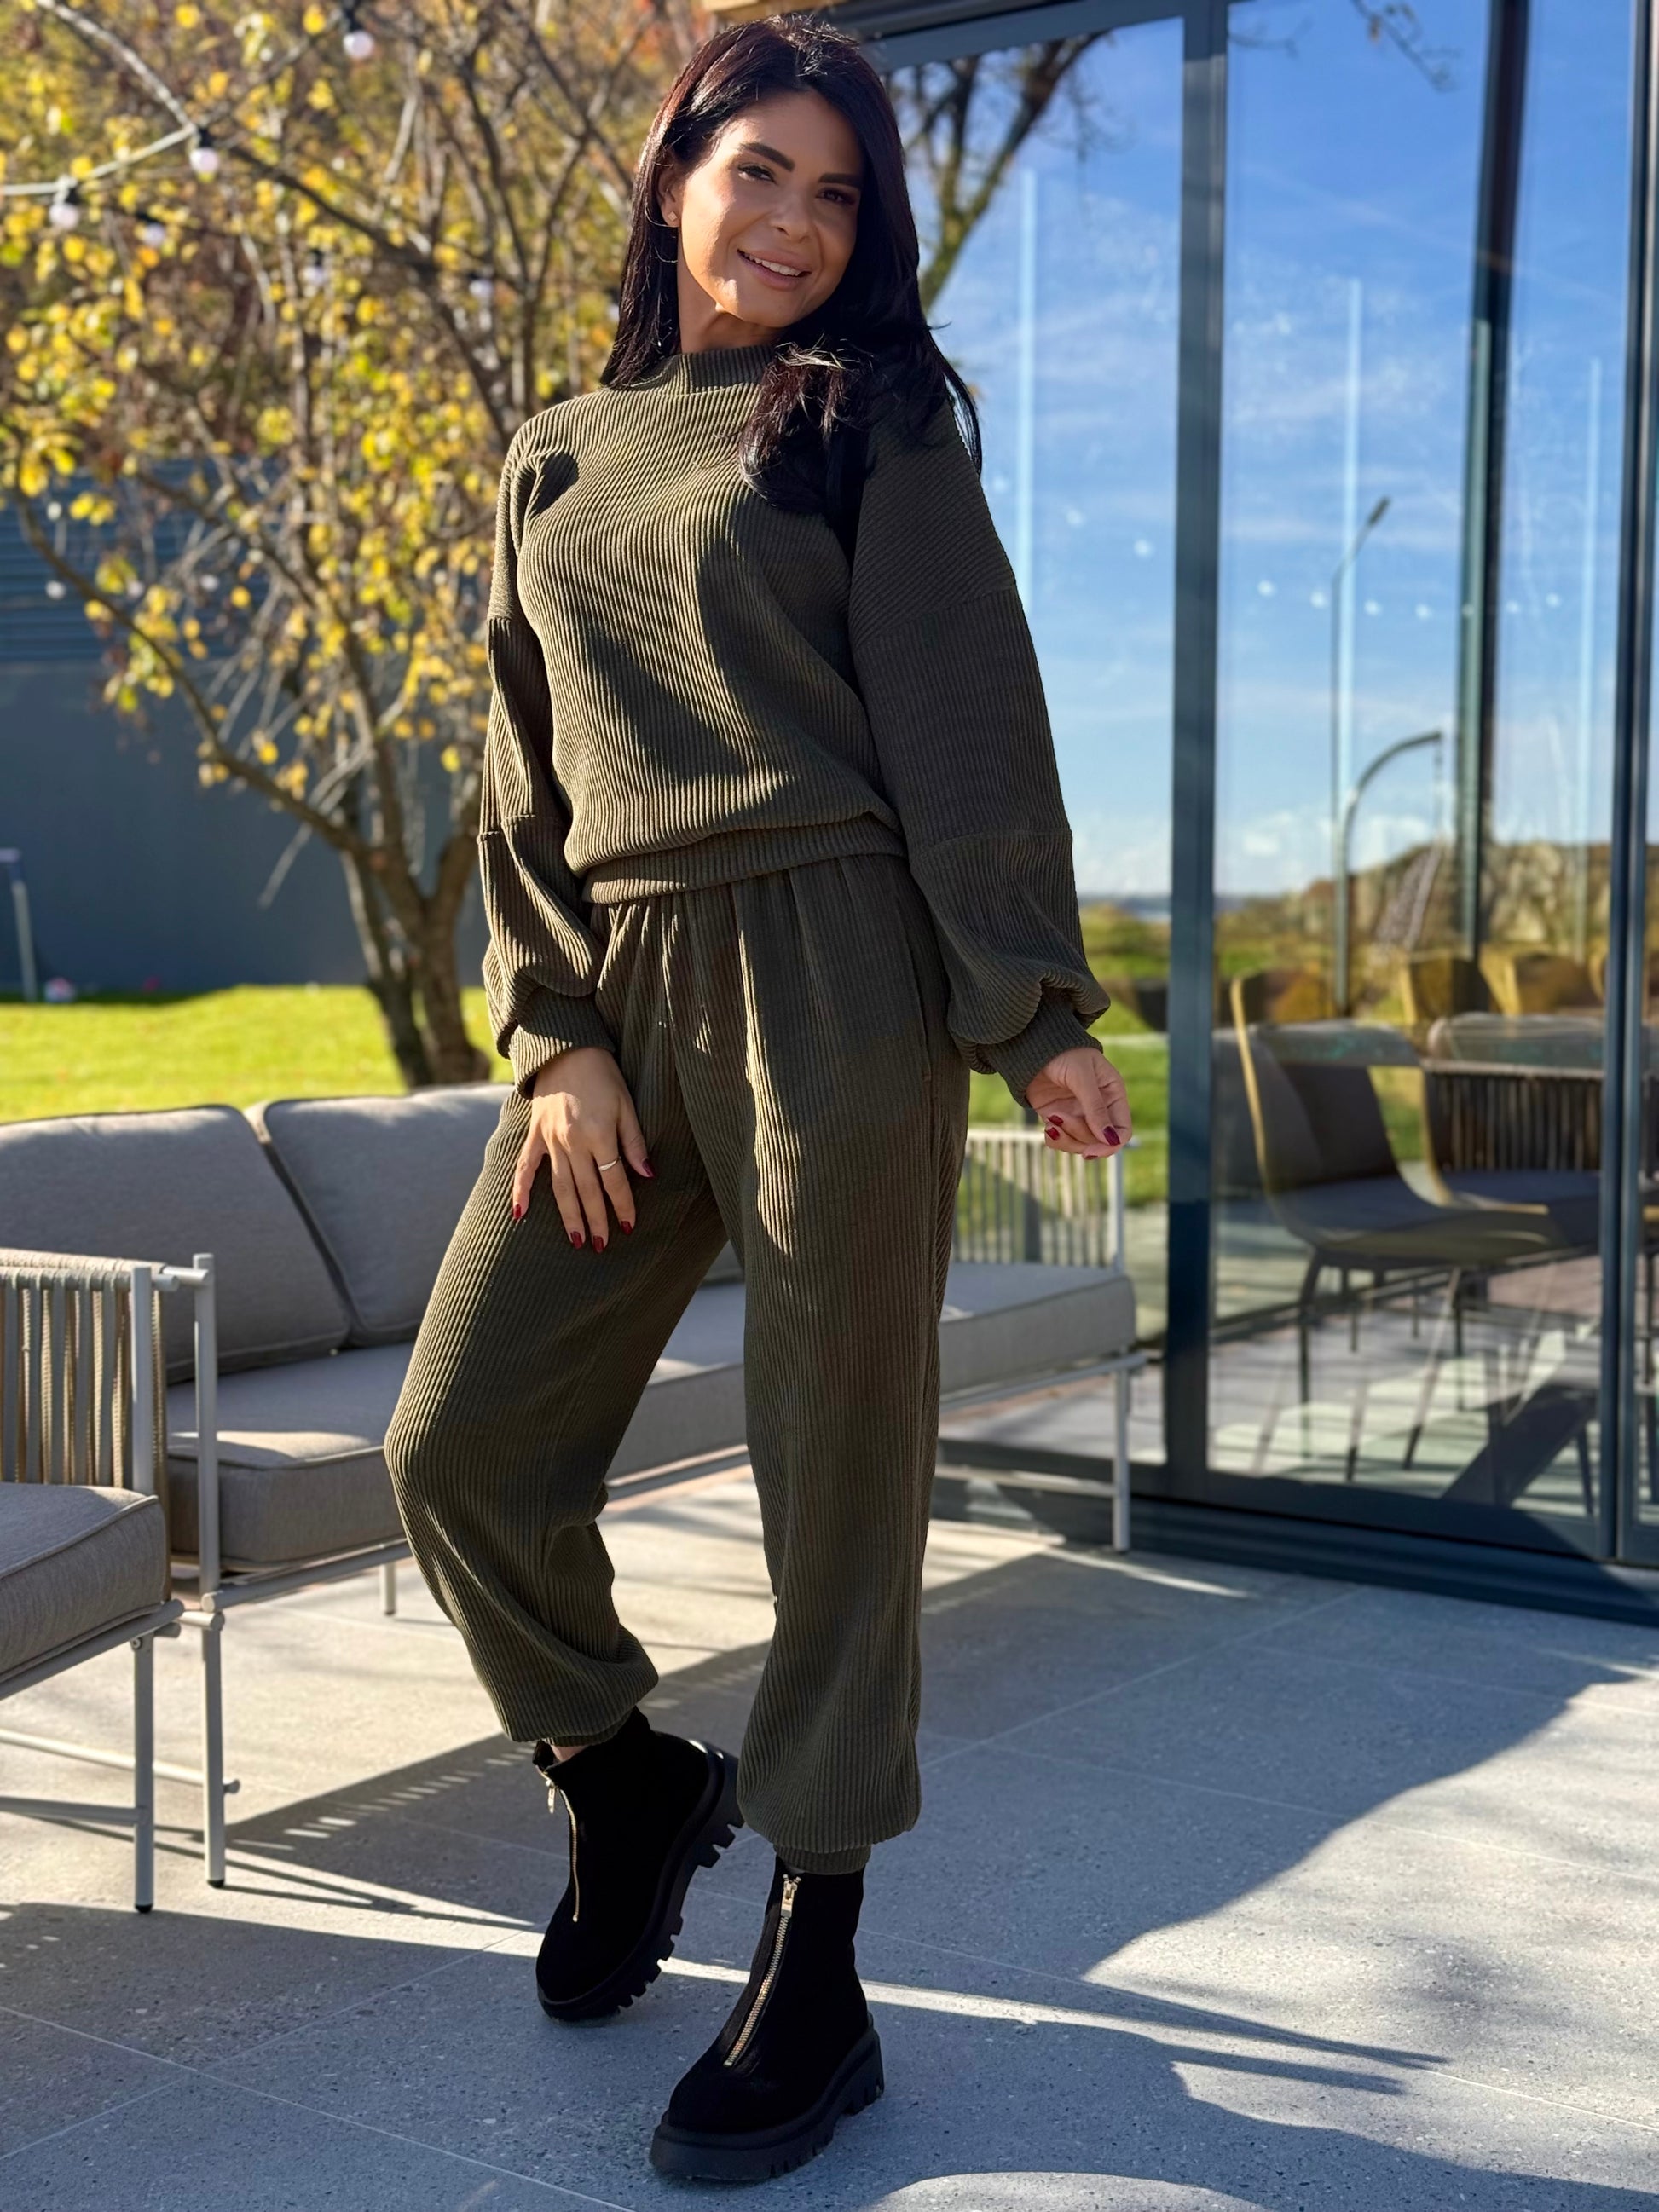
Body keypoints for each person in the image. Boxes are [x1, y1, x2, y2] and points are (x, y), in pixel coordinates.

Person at [384, 13, 1131, 2186]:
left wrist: (1027, 1005)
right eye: (760, 173)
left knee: (833, 1473)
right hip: (618, 988)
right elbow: (519, 774)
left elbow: (966, 713)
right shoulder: (553, 450)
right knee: (458, 1437)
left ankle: (819, 1953)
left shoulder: (869, 417)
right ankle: (622, 1776)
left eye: (837, 191)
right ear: (674, 173)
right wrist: (553, 1034)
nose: (795, 222)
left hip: (835, 964)